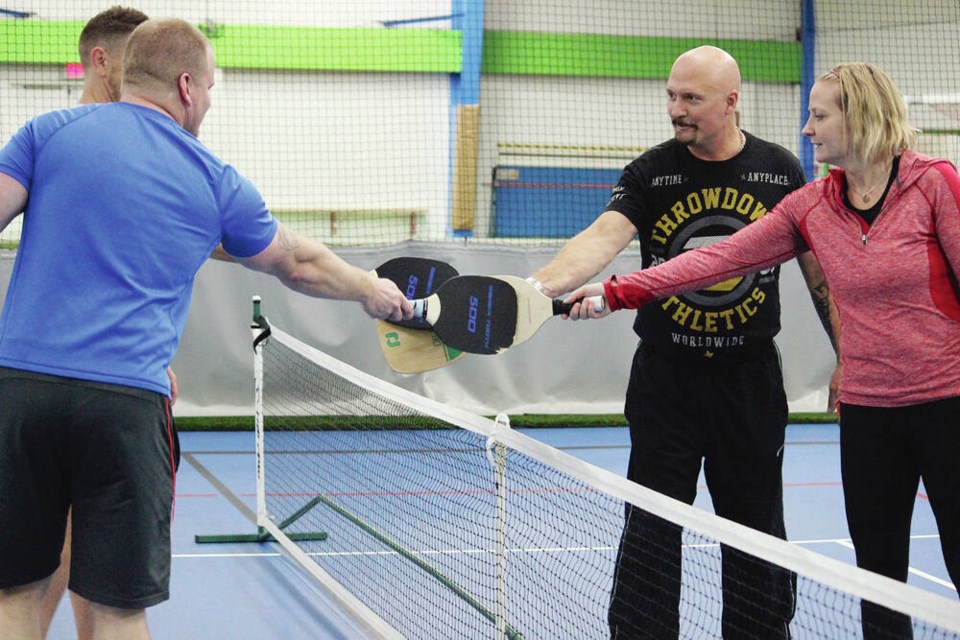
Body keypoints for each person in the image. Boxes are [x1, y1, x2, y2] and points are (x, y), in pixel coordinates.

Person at [0, 18, 411, 640]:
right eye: (212, 88)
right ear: (187, 85)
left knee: (17, 595)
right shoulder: (213, 179)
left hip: (21, 394)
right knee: (116, 608)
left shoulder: (46, 134)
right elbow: (297, 263)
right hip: (126, 404)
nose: (211, 102)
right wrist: (369, 289)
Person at [565, 61, 960, 639]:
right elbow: (717, 259)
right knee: (878, 580)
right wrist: (617, 291)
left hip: (946, 405)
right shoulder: (813, 207)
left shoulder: (934, 184)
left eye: (819, 115)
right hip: (868, 414)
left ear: (861, 118)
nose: (807, 128)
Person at [528, 45, 839, 638]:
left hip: (748, 383)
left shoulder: (781, 171)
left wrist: (851, 359)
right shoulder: (650, 172)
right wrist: (530, 290)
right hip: (665, 382)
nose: (676, 110)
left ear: (731, 101)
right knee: (650, 530)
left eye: (691, 98)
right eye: (671, 96)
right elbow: (601, 238)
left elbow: (821, 275)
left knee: (755, 532)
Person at [35, 8, 151, 639]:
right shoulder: (53, 137)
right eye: (132, 58)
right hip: (59, 383)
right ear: (100, 61)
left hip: (114, 384)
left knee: (86, 554)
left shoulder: (157, 147)